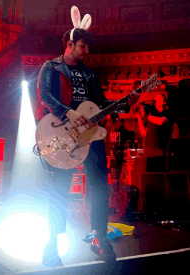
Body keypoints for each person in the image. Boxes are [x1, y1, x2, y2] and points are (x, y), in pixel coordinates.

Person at [37, 28, 139, 267]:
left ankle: (100, 239)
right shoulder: (51, 67)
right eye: (83, 46)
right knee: (59, 192)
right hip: (63, 134)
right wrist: (68, 111)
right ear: (70, 44)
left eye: (88, 46)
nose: (87, 50)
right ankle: (51, 246)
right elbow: (44, 95)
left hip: (90, 136)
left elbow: (101, 103)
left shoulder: (90, 74)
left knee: (100, 189)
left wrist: (125, 103)